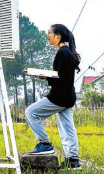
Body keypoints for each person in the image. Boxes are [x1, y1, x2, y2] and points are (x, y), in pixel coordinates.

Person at [26, 24, 81, 170]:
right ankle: (73, 161)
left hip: (60, 96)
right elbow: (63, 76)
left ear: (58, 36)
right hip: (67, 96)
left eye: (50, 32)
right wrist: (47, 76)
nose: (48, 35)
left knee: (31, 112)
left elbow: (62, 79)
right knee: (67, 128)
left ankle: (44, 144)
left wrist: (45, 77)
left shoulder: (63, 53)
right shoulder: (66, 52)